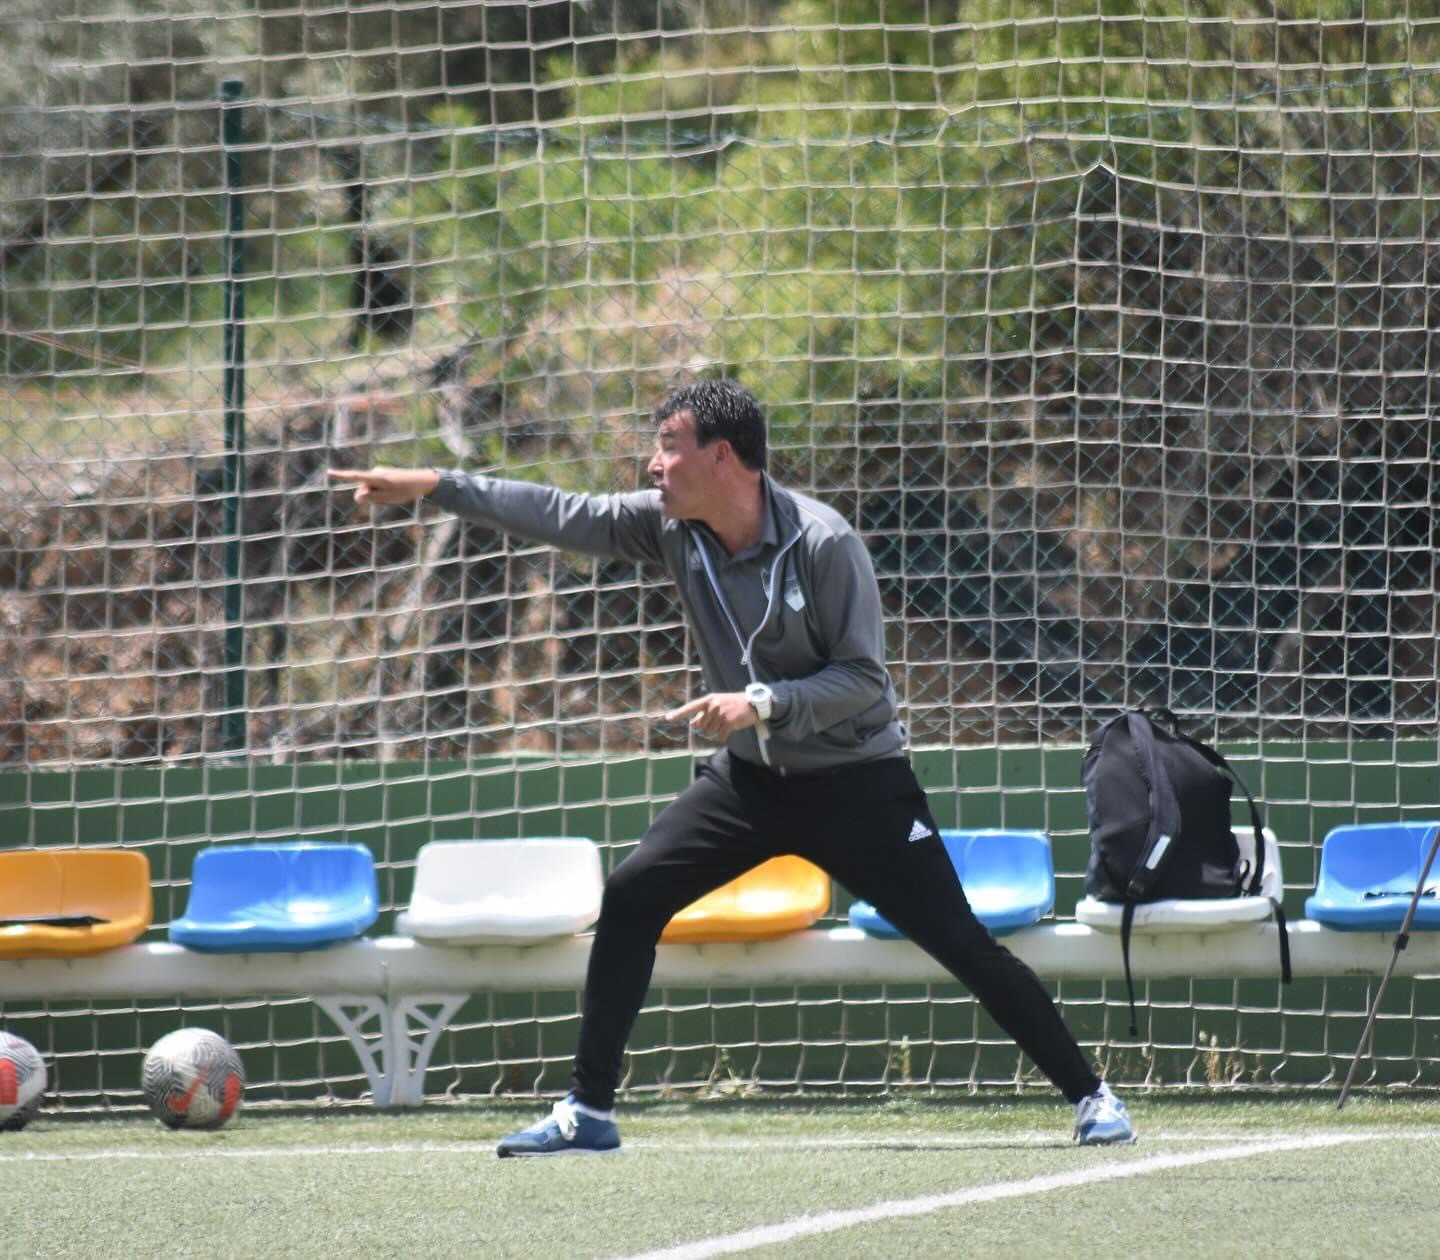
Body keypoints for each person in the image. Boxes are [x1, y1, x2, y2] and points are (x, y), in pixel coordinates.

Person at [329, 378, 1135, 1153]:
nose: (654, 464)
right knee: (632, 896)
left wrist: (764, 703)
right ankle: (589, 1111)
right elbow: (563, 514)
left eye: (669, 446)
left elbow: (863, 681)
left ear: (723, 457)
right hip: (748, 784)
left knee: (961, 943)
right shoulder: (667, 526)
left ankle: (1092, 1096)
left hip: (857, 785)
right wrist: (437, 484)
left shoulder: (825, 543)